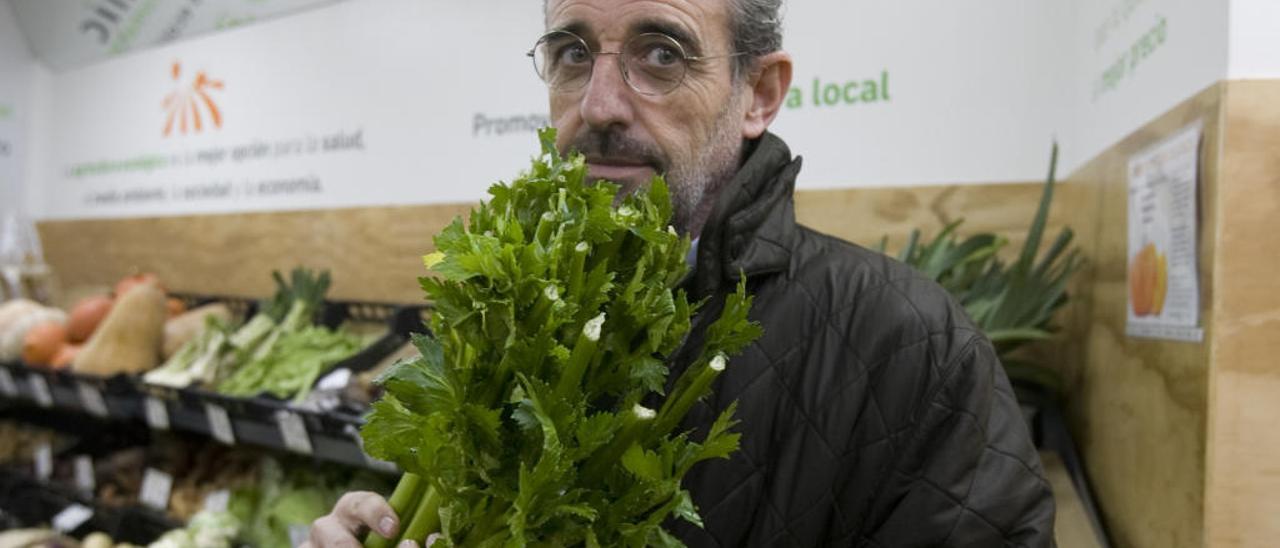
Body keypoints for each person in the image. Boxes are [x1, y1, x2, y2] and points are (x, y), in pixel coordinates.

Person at [306, 0, 1056, 546]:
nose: (599, 106)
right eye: (571, 53)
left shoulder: (914, 348)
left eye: (661, 53)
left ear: (757, 94)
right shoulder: (509, 308)